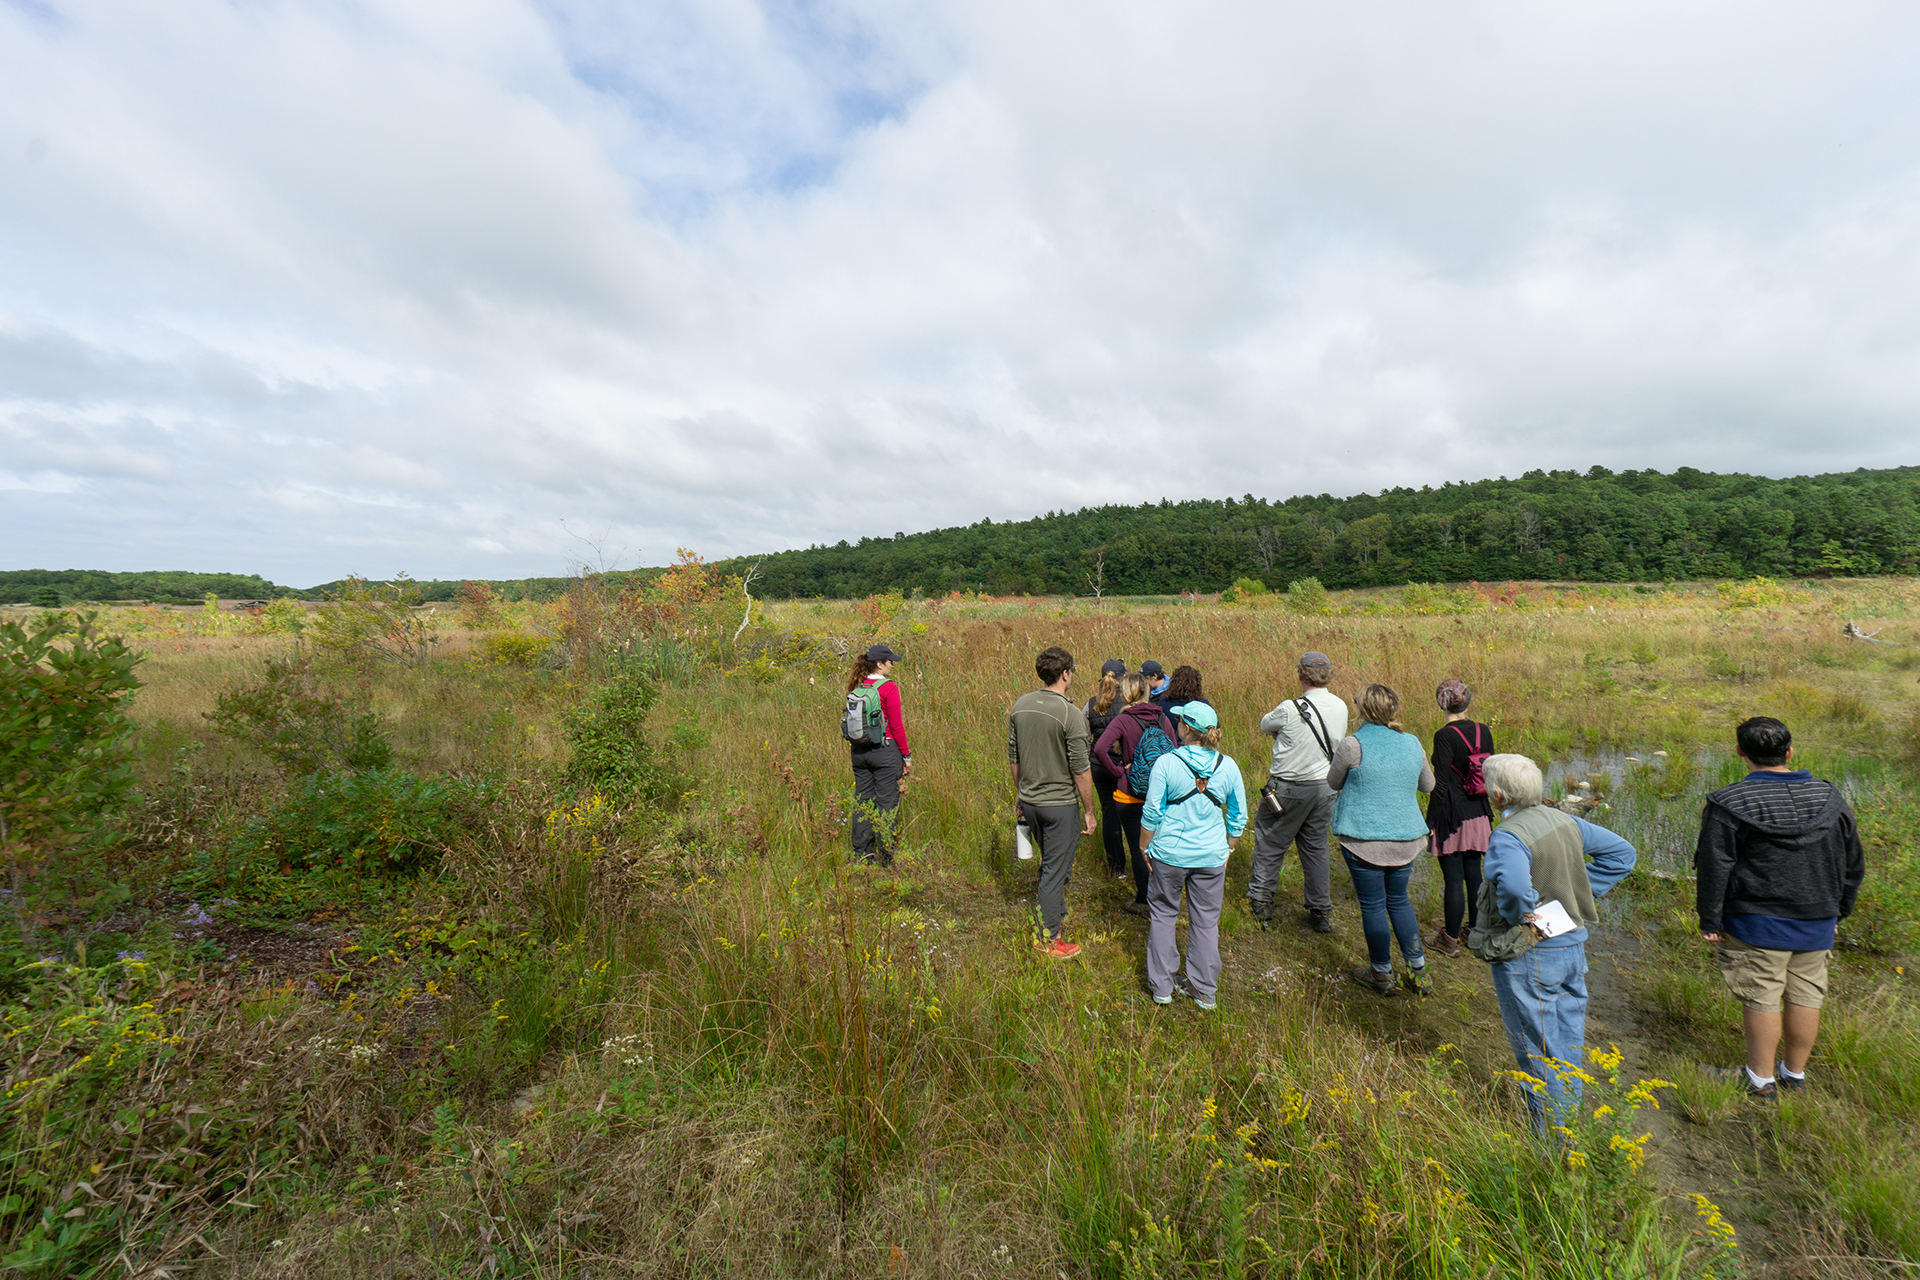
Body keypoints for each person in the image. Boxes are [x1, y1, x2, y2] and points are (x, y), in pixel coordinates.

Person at [1695, 717, 1866, 1099]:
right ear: (1789, 752)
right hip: (1817, 918)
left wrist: (1710, 917)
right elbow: (1853, 862)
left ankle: (1759, 1080)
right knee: (1807, 994)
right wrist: (1839, 911)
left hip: (1757, 921)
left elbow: (1714, 864)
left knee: (1762, 995)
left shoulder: (1728, 802)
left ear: (1740, 752)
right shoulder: (1829, 798)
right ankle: (1794, 1074)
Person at [1482, 753, 1637, 1132]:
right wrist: (1574, 900)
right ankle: (1568, 1124)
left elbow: (1517, 889)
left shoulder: (1508, 836)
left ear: (1498, 796)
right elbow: (1622, 855)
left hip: (1531, 955)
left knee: (1537, 1049)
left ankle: (1550, 1145)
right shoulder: (1565, 820)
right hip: (1572, 947)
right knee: (1568, 1042)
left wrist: (1524, 916)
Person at [1328, 684, 1435, 995]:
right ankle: (1419, 974)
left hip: (1363, 839)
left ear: (1362, 710)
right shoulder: (1412, 742)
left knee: (1373, 905)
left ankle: (1381, 974)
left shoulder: (1352, 745)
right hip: (1406, 838)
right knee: (1399, 901)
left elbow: (1333, 781)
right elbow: (1428, 785)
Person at [1141, 702, 1248, 1009]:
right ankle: (1203, 990)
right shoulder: (1228, 766)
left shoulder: (1166, 763)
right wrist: (1228, 846)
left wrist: (1144, 845)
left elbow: (1152, 812)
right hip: (1211, 856)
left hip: (1169, 854)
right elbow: (1239, 816)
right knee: (1205, 922)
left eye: (1179, 721)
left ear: (1186, 729)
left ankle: (1162, 987)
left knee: (1163, 915)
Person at [1247, 651, 1347, 933]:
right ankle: (1319, 909)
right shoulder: (1341, 706)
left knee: (1270, 841)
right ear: (1328, 675)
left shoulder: (1290, 708)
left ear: (1300, 676)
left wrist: (1282, 735)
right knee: (1316, 848)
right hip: (1326, 787)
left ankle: (1261, 901)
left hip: (1288, 788)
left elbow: (1266, 724)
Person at [1008, 646, 1097, 959]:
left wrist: (1020, 793)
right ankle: (1047, 938)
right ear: (1065, 674)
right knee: (1054, 871)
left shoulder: (1020, 706)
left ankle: (1054, 915)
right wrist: (1089, 811)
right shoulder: (1069, 714)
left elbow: (1014, 757)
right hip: (1059, 806)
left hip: (1030, 802)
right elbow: (1080, 770)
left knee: (1052, 864)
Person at [1094, 674, 1179, 918]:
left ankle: (1144, 901)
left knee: (1138, 849)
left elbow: (1100, 749)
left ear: (1125, 694)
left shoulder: (1123, 719)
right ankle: (1165, 896)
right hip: (1159, 795)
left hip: (1130, 795)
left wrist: (1119, 771)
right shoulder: (1162, 717)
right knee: (1159, 847)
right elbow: (1173, 752)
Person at [1426, 678, 1495, 957]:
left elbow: (1440, 785)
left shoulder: (1444, 736)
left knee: (1453, 879)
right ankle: (1474, 933)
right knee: (1474, 876)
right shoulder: (1484, 730)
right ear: (1467, 702)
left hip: (1452, 815)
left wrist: (1430, 823)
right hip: (1478, 812)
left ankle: (1450, 940)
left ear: (1441, 703)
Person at [846, 642, 911, 866]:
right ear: (879, 664)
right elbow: (896, 726)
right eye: (890, 661)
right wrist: (906, 755)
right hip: (885, 752)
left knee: (862, 803)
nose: (892, 665)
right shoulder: (889, 687)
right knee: (886, 805)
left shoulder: (858, 685)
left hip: (859, 753)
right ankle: (886, 859)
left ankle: (861, 856)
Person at [1084, 660, 1131, 883]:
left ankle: (1116, 867)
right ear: (1123, 679)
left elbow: (1084, 738)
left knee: (1109, 814)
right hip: (1123, 767)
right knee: (1132, 813)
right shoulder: (1128, 702)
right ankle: (1142, 861)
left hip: (1099, 766)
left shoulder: (1091, 704)